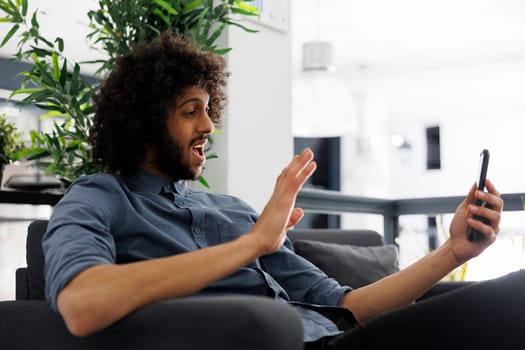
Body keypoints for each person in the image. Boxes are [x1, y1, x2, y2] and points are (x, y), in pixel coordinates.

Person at [43, 31, 524, 349]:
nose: (210, 124)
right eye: (191, 111)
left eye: (210, 108)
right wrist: (252, 243)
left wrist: (454, 252)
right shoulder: (98, 198)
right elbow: (83, 306)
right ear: (144, 123)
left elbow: (349, 308)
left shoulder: (229, 209)